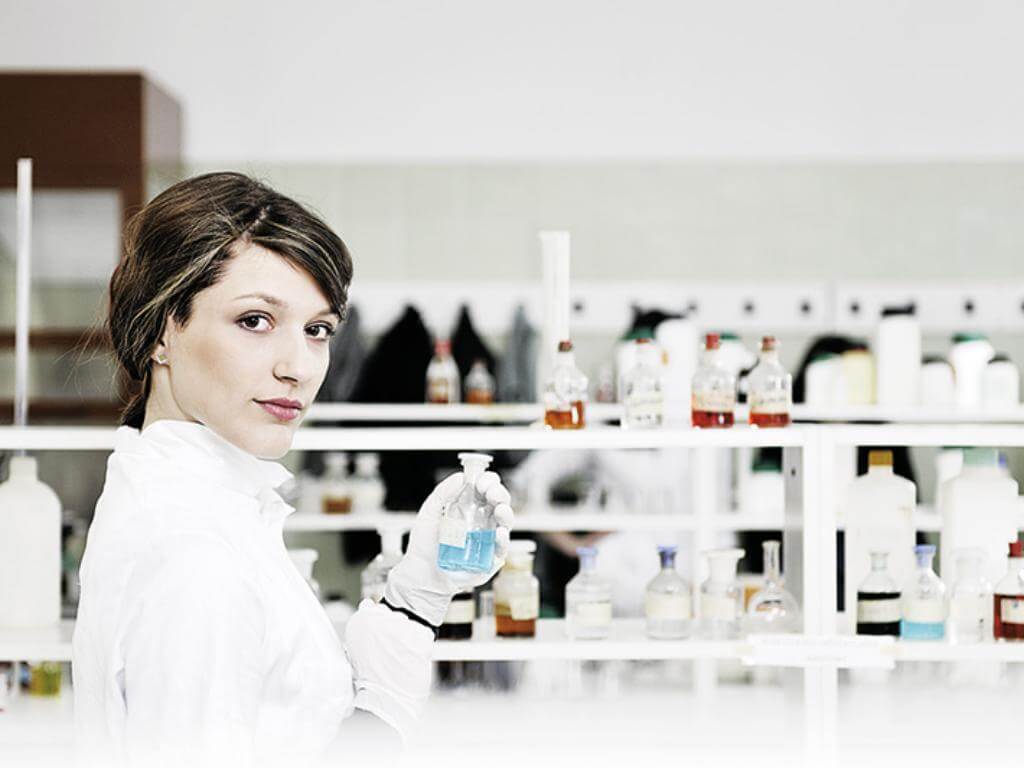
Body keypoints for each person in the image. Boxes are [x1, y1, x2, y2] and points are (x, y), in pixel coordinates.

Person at [71, 172, 514, 765]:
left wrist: (416, 598)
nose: (299, 367)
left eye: (317, 330)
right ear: (161, 332)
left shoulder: (204, 508)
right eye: (255, 320)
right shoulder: (196, 556)